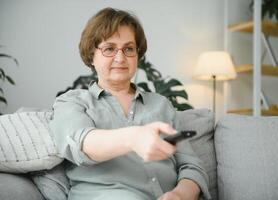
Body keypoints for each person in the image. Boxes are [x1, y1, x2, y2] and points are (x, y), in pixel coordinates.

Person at [50, 7, 211, 200]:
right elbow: (81, 143)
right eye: (109, 49)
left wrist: (178, 195)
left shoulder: (161, 105)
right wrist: (134, 138)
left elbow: (191, 166)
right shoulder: (72, 102)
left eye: (128, 49)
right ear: (92, 55)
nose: (120, 58)